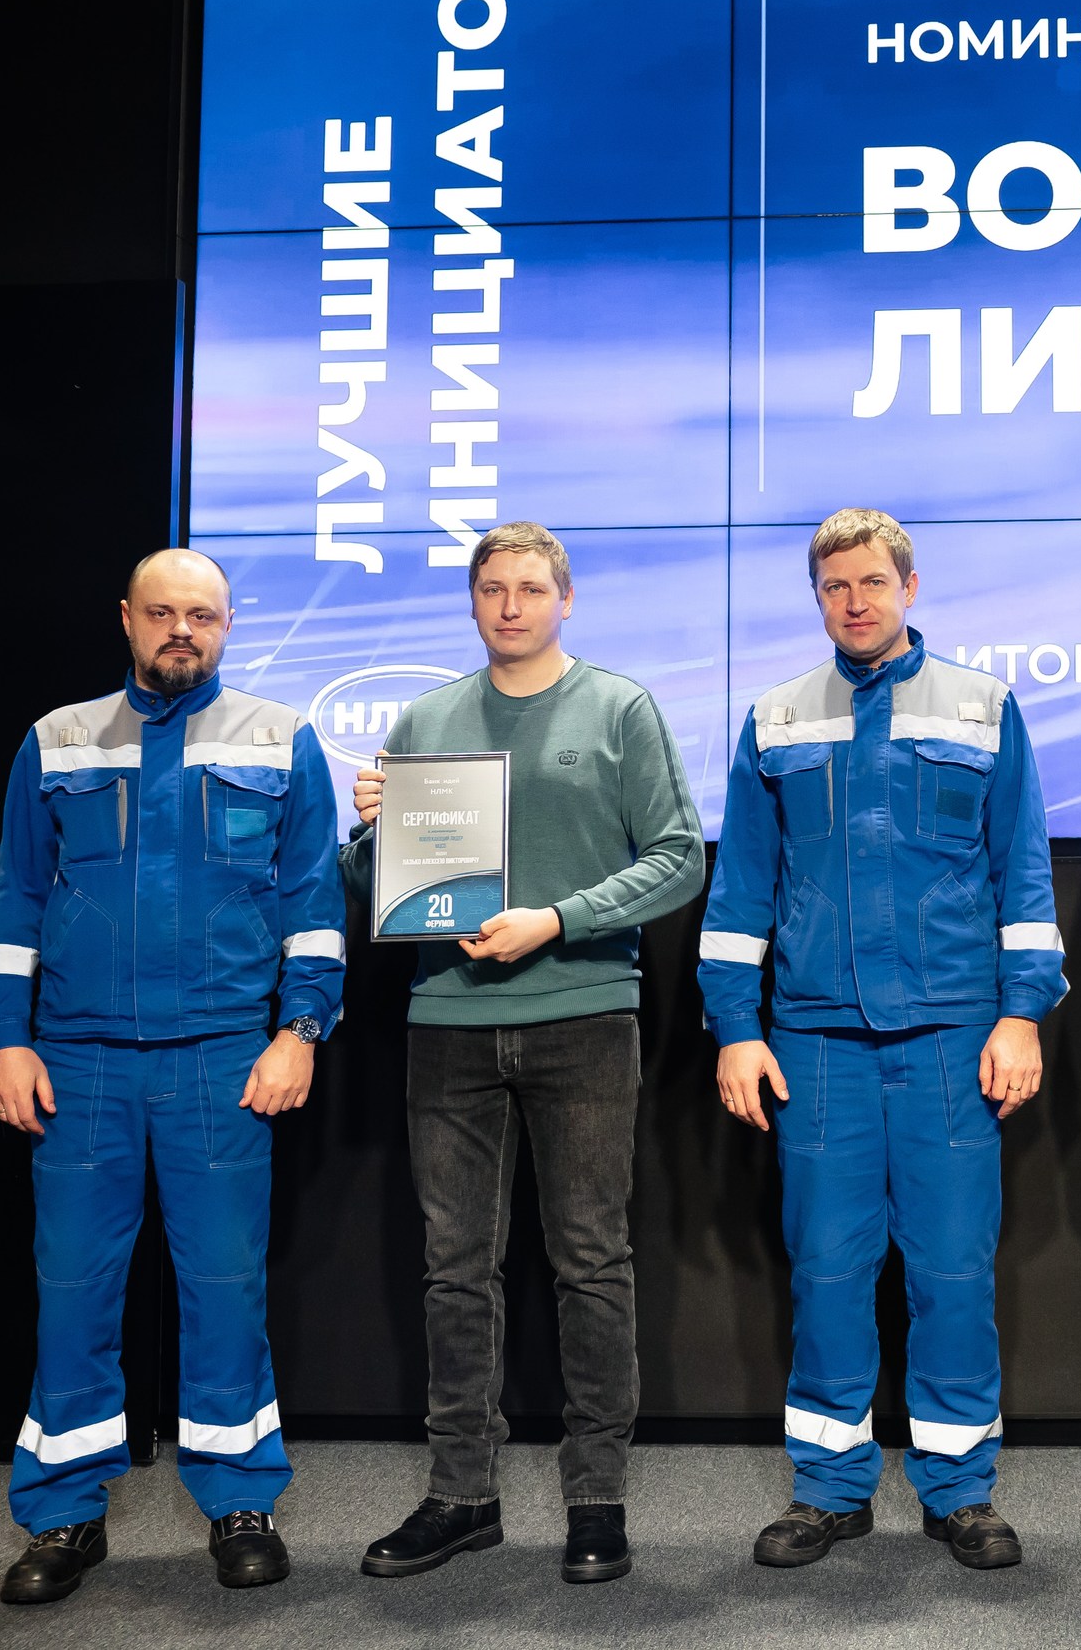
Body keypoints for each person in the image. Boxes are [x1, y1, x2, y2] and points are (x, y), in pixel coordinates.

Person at [0, 549, 344, 1602]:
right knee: (73, 1291)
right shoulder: (57, 738)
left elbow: (313, 902)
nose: (184, 629)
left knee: (225, 1288)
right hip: (77, 1061)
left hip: (224, 1059)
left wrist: (300, 1030)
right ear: (127, 618)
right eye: (164, 612)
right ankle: (63, 1514)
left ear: (228, 626)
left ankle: (240, 1500)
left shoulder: (281, 738)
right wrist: (2, 1037)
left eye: (203, 615)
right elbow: (14, 897)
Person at [698, 508, 1066, 1572]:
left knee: (951, 1272)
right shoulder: (776, 718)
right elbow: (741, 891)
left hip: (953, 1036)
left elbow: (1023, 873)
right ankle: (828, 1489)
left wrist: (1021, 1014)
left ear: (909, 585)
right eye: (834, 587)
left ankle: (960, 1490)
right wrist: (735, 1028)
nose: (854, 602)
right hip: (815, 1042)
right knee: (827, 1269)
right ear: (817, 597)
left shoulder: (983, 707)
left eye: (871, 582)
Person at [342, 523, 704, 1585]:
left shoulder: (619, 708)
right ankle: (461, 1495)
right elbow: (375, 891)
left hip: (584, 1016)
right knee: (455, 1269)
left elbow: (678, 858)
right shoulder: (428, 719)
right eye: (493, 588)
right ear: (472, 601)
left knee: (591, 1262)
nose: (510, 606)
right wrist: (371, 834)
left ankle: (597, 1499)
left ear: (566, 599)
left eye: (531, 589)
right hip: (447, 1024)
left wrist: (557, 920)